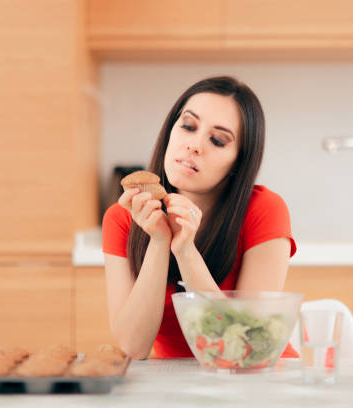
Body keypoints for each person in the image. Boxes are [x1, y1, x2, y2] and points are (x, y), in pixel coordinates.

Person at [102, 76, 298, 359]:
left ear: (237, 163)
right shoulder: (122, 218)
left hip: (257, 379)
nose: (194, 145)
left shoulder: (265, 209)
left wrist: (185, 250)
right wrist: (159, 241)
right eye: (188, 126)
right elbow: (134, 347)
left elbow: (246, 345)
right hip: (176, 387)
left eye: (218, 140)